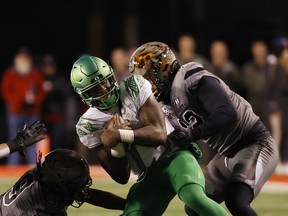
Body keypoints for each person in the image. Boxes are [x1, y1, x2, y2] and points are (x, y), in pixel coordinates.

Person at [129, 41, 279, 216]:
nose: (147, 85)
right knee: (195, 206)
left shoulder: (189, 78)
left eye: (147, 78)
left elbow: (228, 113)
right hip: (227, 153)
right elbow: (173, 137)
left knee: (236, 200)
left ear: (162, 69)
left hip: (254, 143)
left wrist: (192, 133)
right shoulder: (166, 101)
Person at [70, 55, 229, 215]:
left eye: (105, 80)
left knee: (194, 197)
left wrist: (121, 134)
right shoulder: (88, 125)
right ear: (84, 94)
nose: (105, 88)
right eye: (95, 88)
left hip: (175, 156)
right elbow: (121, 177)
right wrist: (117, 148)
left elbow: (159, 134)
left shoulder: (133, 86)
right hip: (148, 176)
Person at [0, 148, 126, 215]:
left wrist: (127, 205)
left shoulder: (43, 172)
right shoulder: (47, 208)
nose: (80, 189)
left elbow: (88, 195)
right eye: (74, 185)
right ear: (58, 182)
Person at [1, 49, 46, 164]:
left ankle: (34, 167)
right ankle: (12, 168)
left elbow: (42, 91)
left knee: (33, 141)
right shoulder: (10, 74)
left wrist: (35, 101)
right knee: (14, 143)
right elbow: (6, 92)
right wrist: (19, 101)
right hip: (16, 112)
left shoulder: (35, 73)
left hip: (32, 112)